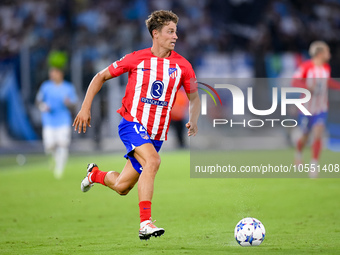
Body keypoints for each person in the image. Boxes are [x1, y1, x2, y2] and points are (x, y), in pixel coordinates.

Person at [73, 10, 200, 240]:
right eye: (170, 31)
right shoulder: (136, 59)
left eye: (176, 31)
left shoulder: (183, 66)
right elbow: (100, 76)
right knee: (153, 161)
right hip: (132, 124)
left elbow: (194, 97)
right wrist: (85, 107)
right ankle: (145, 223)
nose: (176, 36)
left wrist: (194, 118)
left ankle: (94, 174)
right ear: (156, 34)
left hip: (156, 136)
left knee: (122, 187)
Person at [292, 41, 340, 178]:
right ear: (320, 53)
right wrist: (308, 88)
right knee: (305, 136)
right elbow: (294, 81)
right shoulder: (306, 67)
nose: (329, 55)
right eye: (327, 52)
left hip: (321, 108)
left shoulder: (326, 67)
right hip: (306, 108)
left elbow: (328, 81)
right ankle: (298, 155)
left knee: (318, 132)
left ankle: (313, 164)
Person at [36, 67, 78, 179]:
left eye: (54, 73)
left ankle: (59, 170)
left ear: (60, 74)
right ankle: (55, 160)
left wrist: (68, 103)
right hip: (49, 121)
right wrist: (43, 106)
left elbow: (74, 104)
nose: (52, 75)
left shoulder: (68, 87)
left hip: (63, 120)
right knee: (49, 145)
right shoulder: (46, 86)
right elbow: (39, 100)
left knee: (62, 144)